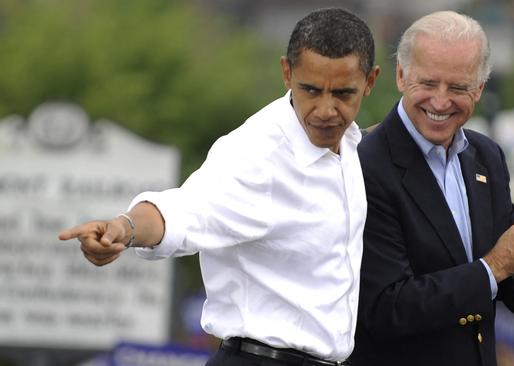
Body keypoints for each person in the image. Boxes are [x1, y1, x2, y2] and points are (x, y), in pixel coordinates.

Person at [58, 7, 380, 366]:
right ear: (286, 74)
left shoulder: (349, 143)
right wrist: (124, 228)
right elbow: (184, 209)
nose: (325, 109)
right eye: (311, 90)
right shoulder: (255, 155)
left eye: (342, 94)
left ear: (370, 82)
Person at [349, 10, 514, 366]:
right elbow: (386, 308)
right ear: (401, 75)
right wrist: (495, 265)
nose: (440, 101)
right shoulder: (364, 164)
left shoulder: (487, 157)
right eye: (428, 83)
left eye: (457, 88)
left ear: (480, 88)